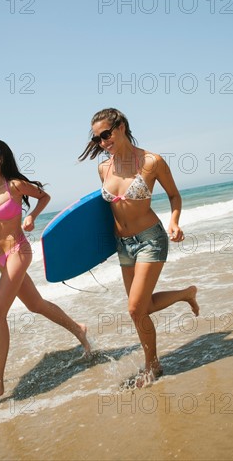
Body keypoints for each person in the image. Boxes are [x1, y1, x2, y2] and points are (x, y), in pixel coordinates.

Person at [79, 109, 199, 386]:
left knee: (134, 309)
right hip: (123, 245)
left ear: (120, 127)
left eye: (106, 134)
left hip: (150, 240)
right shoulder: (103, 168)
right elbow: (107, 213)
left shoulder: (151, 161)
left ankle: (152, 366)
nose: (102, 142)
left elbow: (174, 195)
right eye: (97, 138)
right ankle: (186, 293)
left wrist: (175, 222)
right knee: (140, 309)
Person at [0, 138, 91, 405]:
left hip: (18, 252)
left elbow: (44, 196)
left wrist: (31, 216)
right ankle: (79, 329)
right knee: (35, 304)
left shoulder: (15, 185)